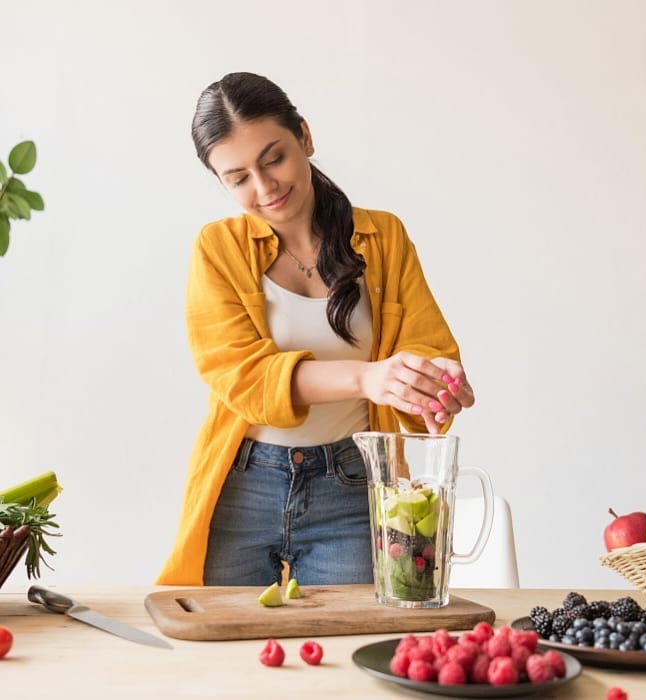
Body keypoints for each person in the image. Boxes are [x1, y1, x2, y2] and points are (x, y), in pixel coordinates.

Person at [156, 72, 474, 587]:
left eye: (274, 158)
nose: (264, 188)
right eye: (238, 178)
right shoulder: (218, 249)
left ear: (304, 136)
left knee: (347, 651)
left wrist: (432, 383)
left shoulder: (384, 237)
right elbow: (242, 377)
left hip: (352, 483)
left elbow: (425, 345)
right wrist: (367, 377)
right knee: (225, 653)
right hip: (243, 484)